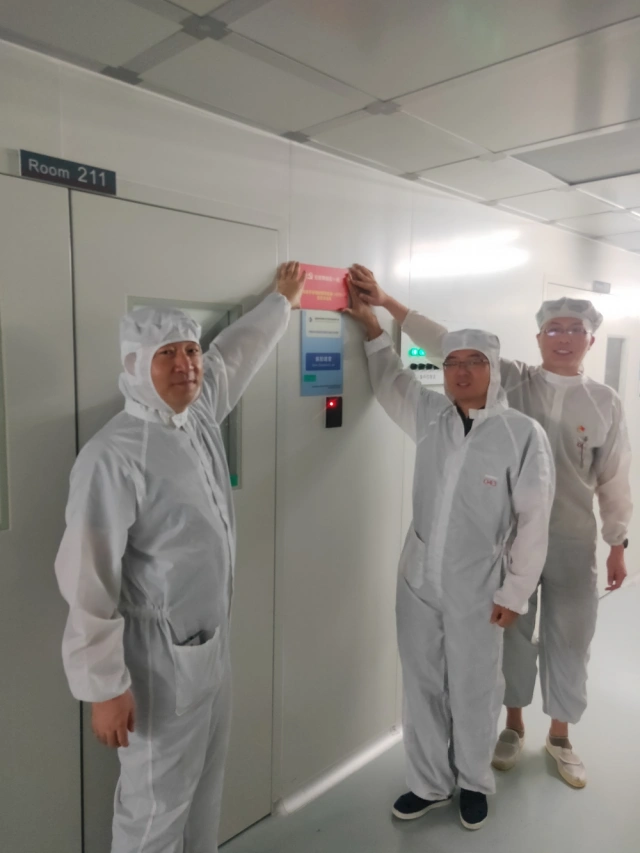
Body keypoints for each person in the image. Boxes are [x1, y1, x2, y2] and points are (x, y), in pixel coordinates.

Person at [55, 262, 307, 853]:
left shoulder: (195, 417)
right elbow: (86, 576)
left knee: (203, 794)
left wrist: (282, 302)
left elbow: (234, 356)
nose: (186, 364)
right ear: (134, 365)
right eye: (166, 354)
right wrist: (104, 687)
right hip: (154, 666)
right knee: (154, 811)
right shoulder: (113, 456)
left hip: (209, 650)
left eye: (189, 350)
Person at [349, 264, 633, 789]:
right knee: (512, 638)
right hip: (502, 541)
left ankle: (561, 736)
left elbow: (614, 476)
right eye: (553, 328)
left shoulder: (602, 403)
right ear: (538, 337)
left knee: (570, 635)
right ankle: (513, 726)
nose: (564, 338)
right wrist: (386, 307)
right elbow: (448, 344)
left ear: (591, 339)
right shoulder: (512, 378)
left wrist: (617, 540)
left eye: (575, 329)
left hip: (570, 537)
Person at [343, 279, 555, 830]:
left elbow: (534, 521)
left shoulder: (520, 435)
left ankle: (473, 782)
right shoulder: (431, 414)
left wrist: (515, 592)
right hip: (419, 577)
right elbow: (391, 379)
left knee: (474, 685)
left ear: (494, 369)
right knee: (421, 683)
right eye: (453, 362)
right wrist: (372, 329)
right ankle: (429, 783)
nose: (461, 372)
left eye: (474, 362)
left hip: (479, 584)